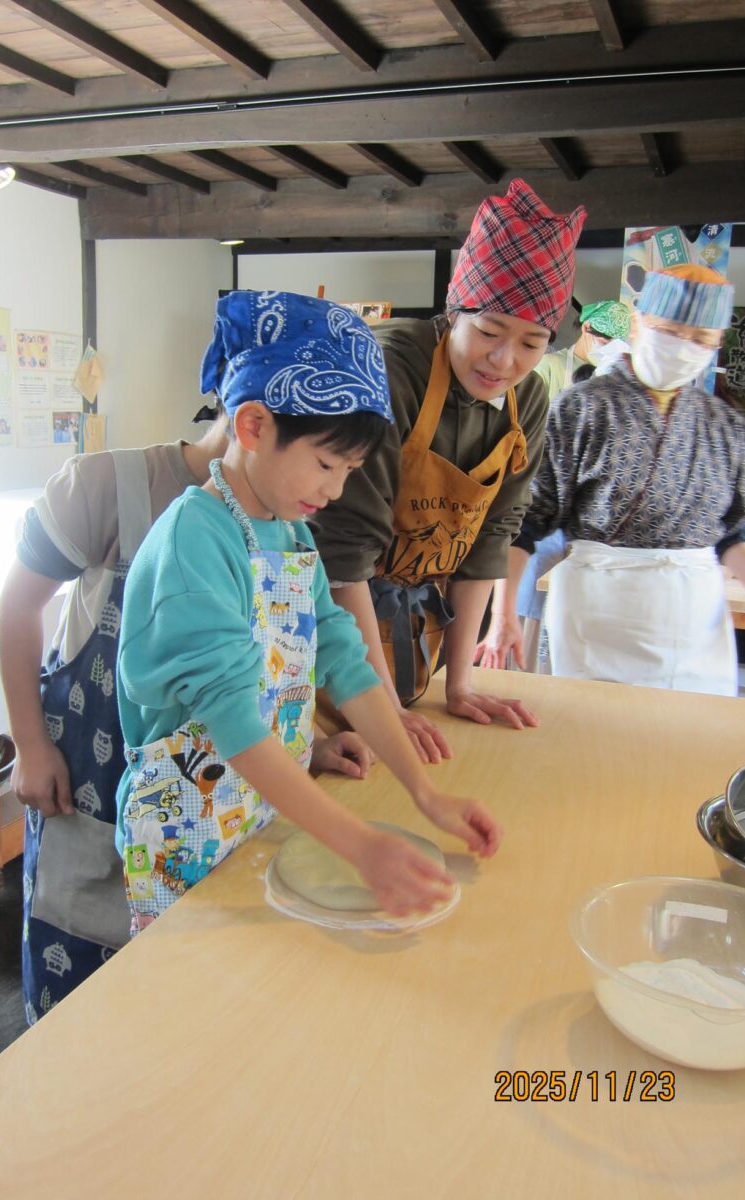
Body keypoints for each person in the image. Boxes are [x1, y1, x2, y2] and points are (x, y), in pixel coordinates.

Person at [116, 291, 500, 927]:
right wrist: (360, 844)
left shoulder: (289, 532)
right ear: (253, 426)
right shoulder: (193, 544)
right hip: (183, 834)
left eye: (350, 469)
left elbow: (345, 661)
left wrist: (425, 793)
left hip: (265, 810)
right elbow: (233, 723)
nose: (336, 489)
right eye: (325, 463)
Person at [0, 414, 374, 1024]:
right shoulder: (108, 486)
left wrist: (304, 740)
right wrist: (28, 742)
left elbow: (262, 661)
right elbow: (17, 605)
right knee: (86, 997)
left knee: (186, 1001)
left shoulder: (282, 514)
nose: (334, 485)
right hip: (85, 776)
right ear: (248, 413)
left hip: (220, 804)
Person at [309, 179, 586, 763]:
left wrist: (458, 685)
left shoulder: (528, 400)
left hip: (408, 629)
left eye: (532, 343)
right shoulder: (389, 370)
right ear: (455, 311)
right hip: (322, 625)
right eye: (488, 332)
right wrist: (383, 709)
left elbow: (492, 536)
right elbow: (343, 551)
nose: (504, 361)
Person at [499, 264, 745, 693]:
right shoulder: (581, 407)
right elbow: (527, 523)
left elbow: (734, 531)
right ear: (640, 323)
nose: (684, 347)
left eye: (701, 339)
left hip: (695, 616)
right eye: (671, 331)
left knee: (693, 729)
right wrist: (503, 612)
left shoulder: (722, 422)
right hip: (599, 611)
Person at [475, 300, 631, 671]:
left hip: (574, 500)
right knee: (530, 570)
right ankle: (519, 661)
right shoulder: (547, 367)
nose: (607, 345)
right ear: (586, 329)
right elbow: (525, 433)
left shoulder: (611, 378)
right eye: (603, 337)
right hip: (537, 484)